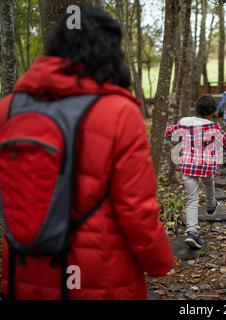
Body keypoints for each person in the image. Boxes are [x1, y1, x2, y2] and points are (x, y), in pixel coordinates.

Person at [0, 6, 173, 300]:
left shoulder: (9, 109)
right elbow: (136, 210)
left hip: (23, 272)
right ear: (109, 51)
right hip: (99, 278)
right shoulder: (119, 113)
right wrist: (160, 263)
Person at [165, 95, 226, 249]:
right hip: (206, 166)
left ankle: (192, 232)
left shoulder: (184, 122)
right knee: (209, 182)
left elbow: (169, 133)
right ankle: (210, 205)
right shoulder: (213, 128)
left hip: (188, 166)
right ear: (212, 112)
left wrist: (181, 135)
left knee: (192, 199)